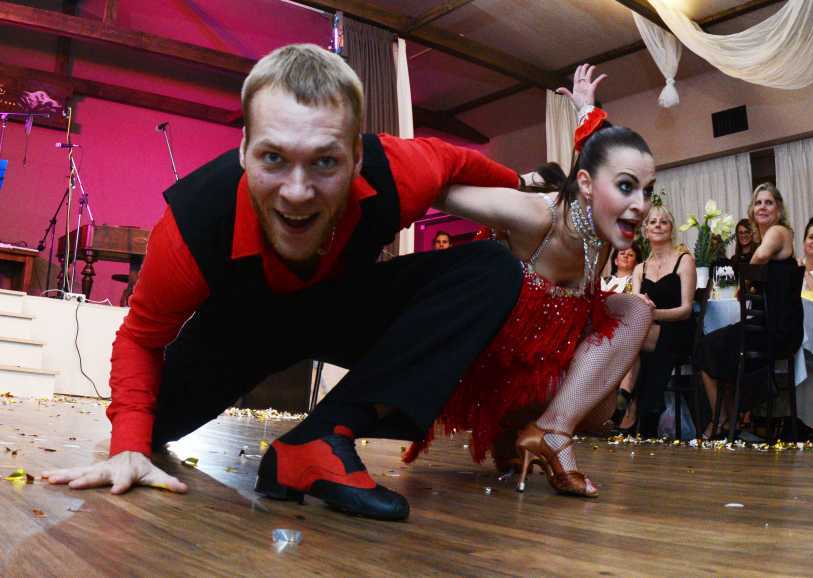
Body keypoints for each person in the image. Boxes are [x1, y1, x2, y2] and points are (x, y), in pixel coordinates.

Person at [43, 44, 527, 522]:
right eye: (273, 158)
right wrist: (129, 446)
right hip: (236, 335)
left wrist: (525, 185)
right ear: (244, 152)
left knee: (492, 268)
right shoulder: (192, 227)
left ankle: (322, 439)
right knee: (153, 428)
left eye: (325, 162)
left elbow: (457, 161)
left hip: (341, 309)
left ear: (357, 157)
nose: (297, 193)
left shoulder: (397, 171)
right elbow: (140, 339)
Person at [404, 64, 656, 497]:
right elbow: (441, 189)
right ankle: (516, 429)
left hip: (553, 367)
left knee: (636, 310)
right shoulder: (535, 216)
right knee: (517, 440)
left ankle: (551, 430)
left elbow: (602, 159)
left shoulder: (606, 231)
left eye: (647, 191)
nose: (642, 205)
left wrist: (587, 113)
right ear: (586, 186)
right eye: (628, 188)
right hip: (501, 372)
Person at [695, 183, 803, 438]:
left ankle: (722, 419)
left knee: (705, 348)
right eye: (758, 203)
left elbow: (759, 259)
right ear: (752, 210)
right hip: (771, 327)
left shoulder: (778, 231)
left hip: (776, 330)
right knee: (716, 349)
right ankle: (730, 420)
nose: (762, 207)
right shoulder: (770, 237)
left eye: (768, 202)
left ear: (779, 209)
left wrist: (746, 283)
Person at [616, 205, 696, 434]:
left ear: (671, 229)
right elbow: (636, 308)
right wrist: (642, 312)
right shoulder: (639, 269)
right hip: (647, 331)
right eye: (653, 222)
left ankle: (628, 402)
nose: (658, 225)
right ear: (646, 231)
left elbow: (686, 310)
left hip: (680, 328)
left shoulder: (684, 261)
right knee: (632, 335)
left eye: (663, 221)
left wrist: (653, 314)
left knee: (635, 336)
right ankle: (632, 402)